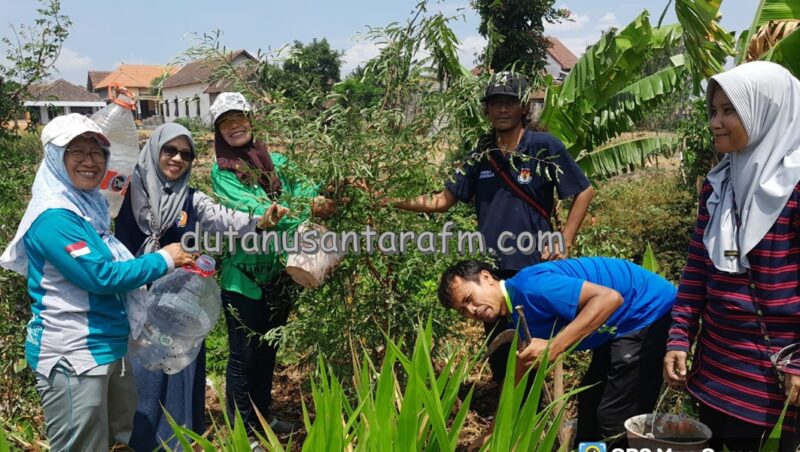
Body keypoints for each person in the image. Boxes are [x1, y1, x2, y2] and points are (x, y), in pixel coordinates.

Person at [0, 114, 193, 451]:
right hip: (73, 353)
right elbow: (101, 276)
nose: (90, 161)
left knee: (116, 439)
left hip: (108, 347)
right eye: (78, 152)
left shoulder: (91, 208)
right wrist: (165, 258)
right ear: (56, 157)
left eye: (98, 153)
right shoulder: (54, 217)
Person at [394, 71, 594, 382]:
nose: (502, 109)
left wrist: (564, 238)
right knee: (502, 355)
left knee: (536, 347)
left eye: (509, 102)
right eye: (495, 103)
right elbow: (441, 201)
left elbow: (583, 191)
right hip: (493, 275)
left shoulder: (543, 146)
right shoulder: (479, 157)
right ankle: (511, 417)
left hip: (535, 268)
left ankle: (539, 417)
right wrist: (390, 199)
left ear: (523, 107)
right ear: (486, 110)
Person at [114, 123, 288, 450]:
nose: (177, 159)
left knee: (180, 378)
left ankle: (178, 442)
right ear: (154, 150)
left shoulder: (193, 200)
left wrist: (260, 221)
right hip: (134, 303)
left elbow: (224, 218)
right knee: (143, 380)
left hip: (178, 309)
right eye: (170, 150)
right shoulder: (123, 194)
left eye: (186, 154)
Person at [663, 61, 800, 451]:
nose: (714, 123)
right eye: (713, 111)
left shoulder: (794, 186)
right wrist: (678, 338)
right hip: (715, 371)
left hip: (772, 382)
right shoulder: (719, 186)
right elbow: (695, 271)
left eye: (729, 111)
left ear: (765, 112)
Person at [438, 258, 675, 445]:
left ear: (486, 277)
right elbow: (518, 380)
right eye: (463, 310)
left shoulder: (531, 287)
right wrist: (493, 431)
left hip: (648, 311)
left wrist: (554, 346)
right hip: (618, 326)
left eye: (469, 298)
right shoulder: (516, 317)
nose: (472, 310)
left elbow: (609, 299)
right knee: (589, 405)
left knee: (614, 419)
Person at [209, 92, 335, 435]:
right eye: (225, 123)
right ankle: (242, 430)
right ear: (219, 133)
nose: (234, 127)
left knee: (268, 350)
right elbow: (255, 210)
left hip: (280, 274)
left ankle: (262, 417)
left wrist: (326, 194)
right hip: (244, 277)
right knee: (244, 355)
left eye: (239, 119)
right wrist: (306, 210)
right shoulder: (223, 173)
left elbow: (306, 188)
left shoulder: (277, 161)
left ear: (252, 121)